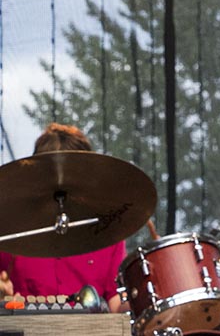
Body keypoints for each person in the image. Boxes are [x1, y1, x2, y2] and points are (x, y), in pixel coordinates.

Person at [0, 123, 126, 312]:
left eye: (71, 176)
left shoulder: (107, 231)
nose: (62, 186)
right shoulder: (11, 233)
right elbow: (4, 291)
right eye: (54, 176)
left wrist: (147, 302)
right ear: (36, 177)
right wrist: (3, 299)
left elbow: (116, 303)